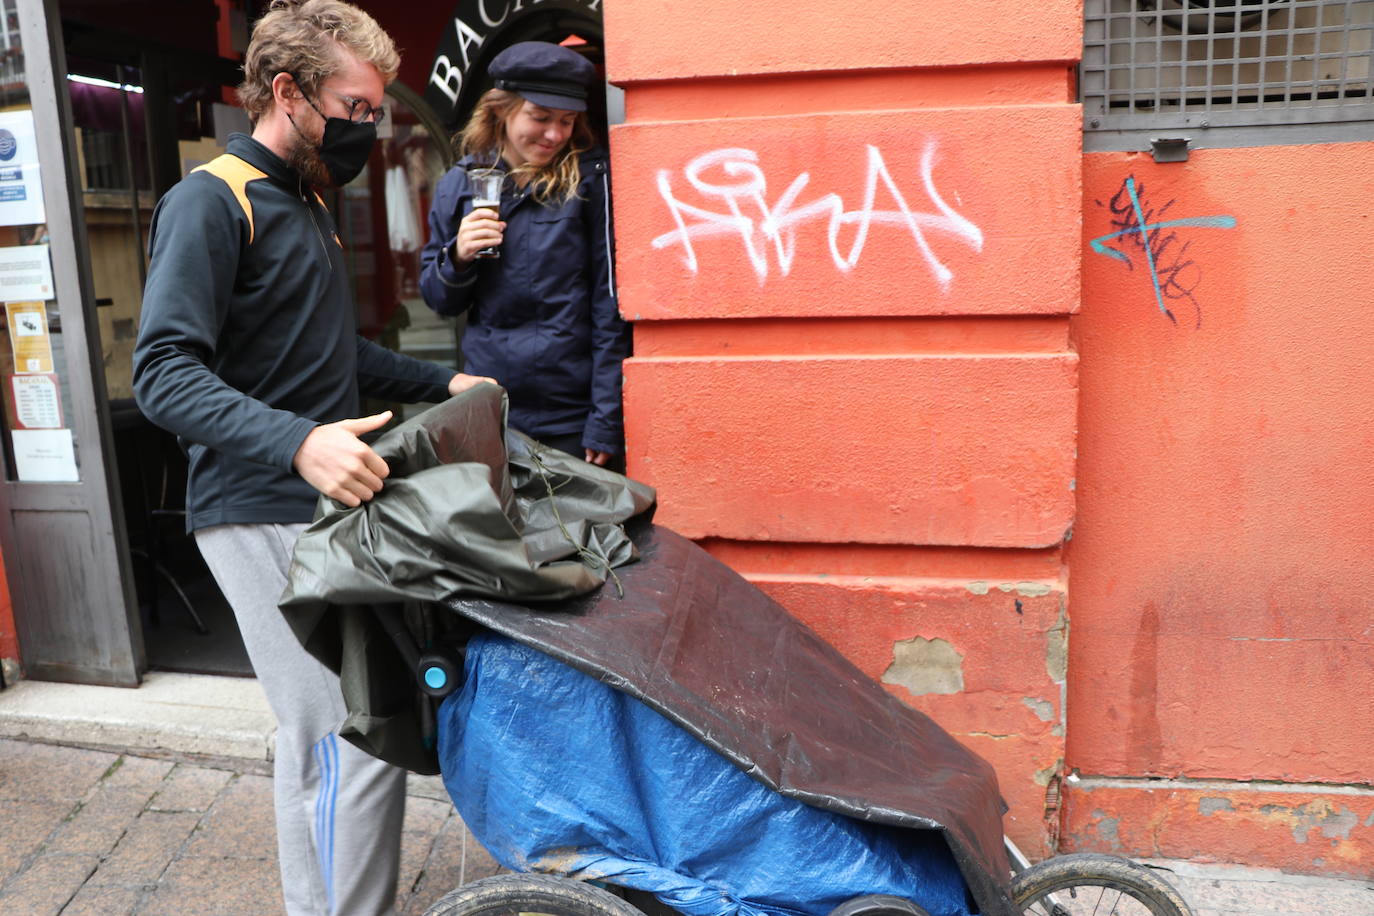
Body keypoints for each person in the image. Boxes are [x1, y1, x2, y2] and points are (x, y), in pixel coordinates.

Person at [132, 2, 491, 912]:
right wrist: (298, 442)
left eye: (377, 111)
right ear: (286, 92)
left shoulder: (308, 200)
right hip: (256, 504)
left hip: (325, 507)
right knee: (341, 736)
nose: (367, 128)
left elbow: (331, 354)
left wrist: (437, 385)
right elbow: (163, 375)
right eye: (355, 106)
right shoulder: (212, 200)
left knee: (351, 736)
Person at [420, 41, 630, 467]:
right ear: (501, 109)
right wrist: (457, 257)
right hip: (493, 409)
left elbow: (609, 307)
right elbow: (440, 301)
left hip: (574, 416)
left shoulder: (590, 182)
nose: (555, 134)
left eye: (567, 121)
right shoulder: (460, 185)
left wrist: (605, 420)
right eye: (540, 117)